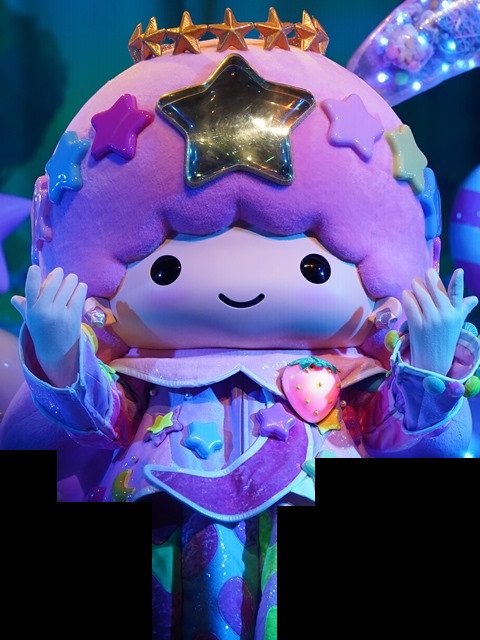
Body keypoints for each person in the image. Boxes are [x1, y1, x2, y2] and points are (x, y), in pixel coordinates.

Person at [1, 9, 479, 638]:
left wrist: (428, 365)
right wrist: (63, 357)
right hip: (170, 552)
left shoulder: (349, 374)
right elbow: (103, 427)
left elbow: (395, 436)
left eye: (314, 266)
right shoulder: (147, 372)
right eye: (165, 266)